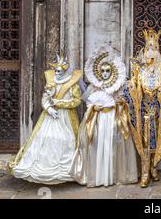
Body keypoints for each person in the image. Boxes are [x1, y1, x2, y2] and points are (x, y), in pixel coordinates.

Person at [69, 45, 138, 187]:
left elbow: (124, 101)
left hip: (113, 118)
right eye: (103, 71)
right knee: (96, 143)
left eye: (108, 71)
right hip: (98, 119)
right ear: (98, 72)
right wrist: (95, 106)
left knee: (114, 144)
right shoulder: (94, 87)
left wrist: (119, 103)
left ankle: (114, 175)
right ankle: (97, 176)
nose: (105, 73)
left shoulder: (117, 86)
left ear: (112, 71)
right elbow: (88, 102)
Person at [8, 52, 82, 184]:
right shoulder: (51, 82)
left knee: (66, 139)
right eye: (56, 71)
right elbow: (45, 99)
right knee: (46, 139)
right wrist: (49, 108)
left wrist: (59, 103)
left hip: (66, 118)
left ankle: (69, 170)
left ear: (65, 71)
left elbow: (77, 102)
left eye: (59, 71)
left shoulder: (73, 85)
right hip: (49, 117)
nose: (57, 73)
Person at [122, 29, 161, 188]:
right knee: (145, 142)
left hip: (159, 114)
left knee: (158, 141)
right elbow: (131, 88)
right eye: (148, 50)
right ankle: (145, 170)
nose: (151, 54)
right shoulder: (138, 72)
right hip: (143, 113)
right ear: (144, 52)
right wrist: (131, 88)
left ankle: (154, 167)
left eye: (154, 50)